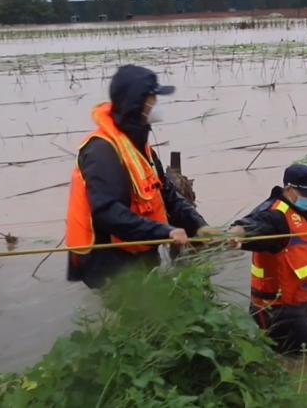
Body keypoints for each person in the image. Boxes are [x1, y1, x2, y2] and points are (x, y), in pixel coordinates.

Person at [65, 64, 207, 289]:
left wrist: (199, 226)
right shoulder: (102, 152)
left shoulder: (138, 144)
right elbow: (108, 213)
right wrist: (166, 231)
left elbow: (166, 193)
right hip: (111, 263)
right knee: (140, 317)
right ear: (137, 104)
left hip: (138, 250)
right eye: (152, 98)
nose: (155, 104)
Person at [233, 164, 307, 354]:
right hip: (279, 309)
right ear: (290, 189)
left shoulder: (296, 209)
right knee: (302, 360)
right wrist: (234, 234)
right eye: (306, 194)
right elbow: (253, 225)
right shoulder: (274, 215)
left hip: (298, 299)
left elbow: (296, 238)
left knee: (300, 358)